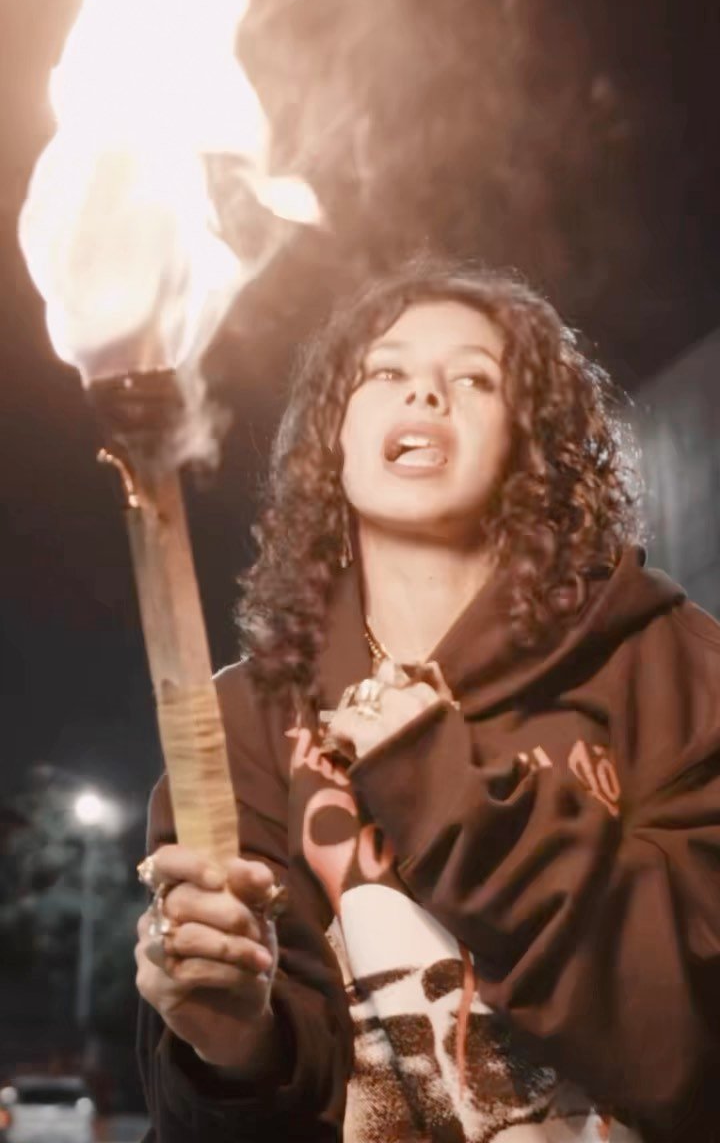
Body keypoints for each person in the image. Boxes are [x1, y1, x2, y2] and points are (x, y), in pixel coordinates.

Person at [135, 262, 720, 1143]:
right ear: (334, 434)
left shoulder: (667, 663)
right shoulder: (242, 722)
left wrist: (442, 791)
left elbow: (690, 1043)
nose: (426, 392)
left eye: (475, 379)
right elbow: (215, 1113)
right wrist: (232, 1044)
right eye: (386, 371)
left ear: (532, 440)